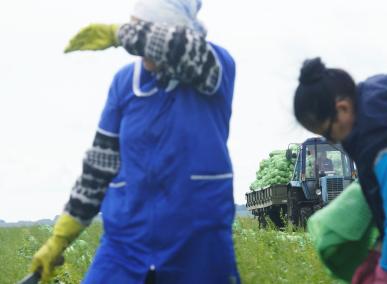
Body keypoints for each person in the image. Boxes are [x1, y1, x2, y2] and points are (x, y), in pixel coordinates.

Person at [30, 1, 240, 283]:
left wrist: (119, 33)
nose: (138, 45)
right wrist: (60, 237)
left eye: (142, 30)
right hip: (125, 248)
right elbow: (98, 167)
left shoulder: (214, 67)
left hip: (198, 247)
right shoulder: (124, 83)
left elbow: (178, 47)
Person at [293, 58, 387, 284]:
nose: (331, 141)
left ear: (342, 109)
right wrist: (379, 252)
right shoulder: (384, 105)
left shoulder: (386, 143)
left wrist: (382, 277)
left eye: (327, 134)